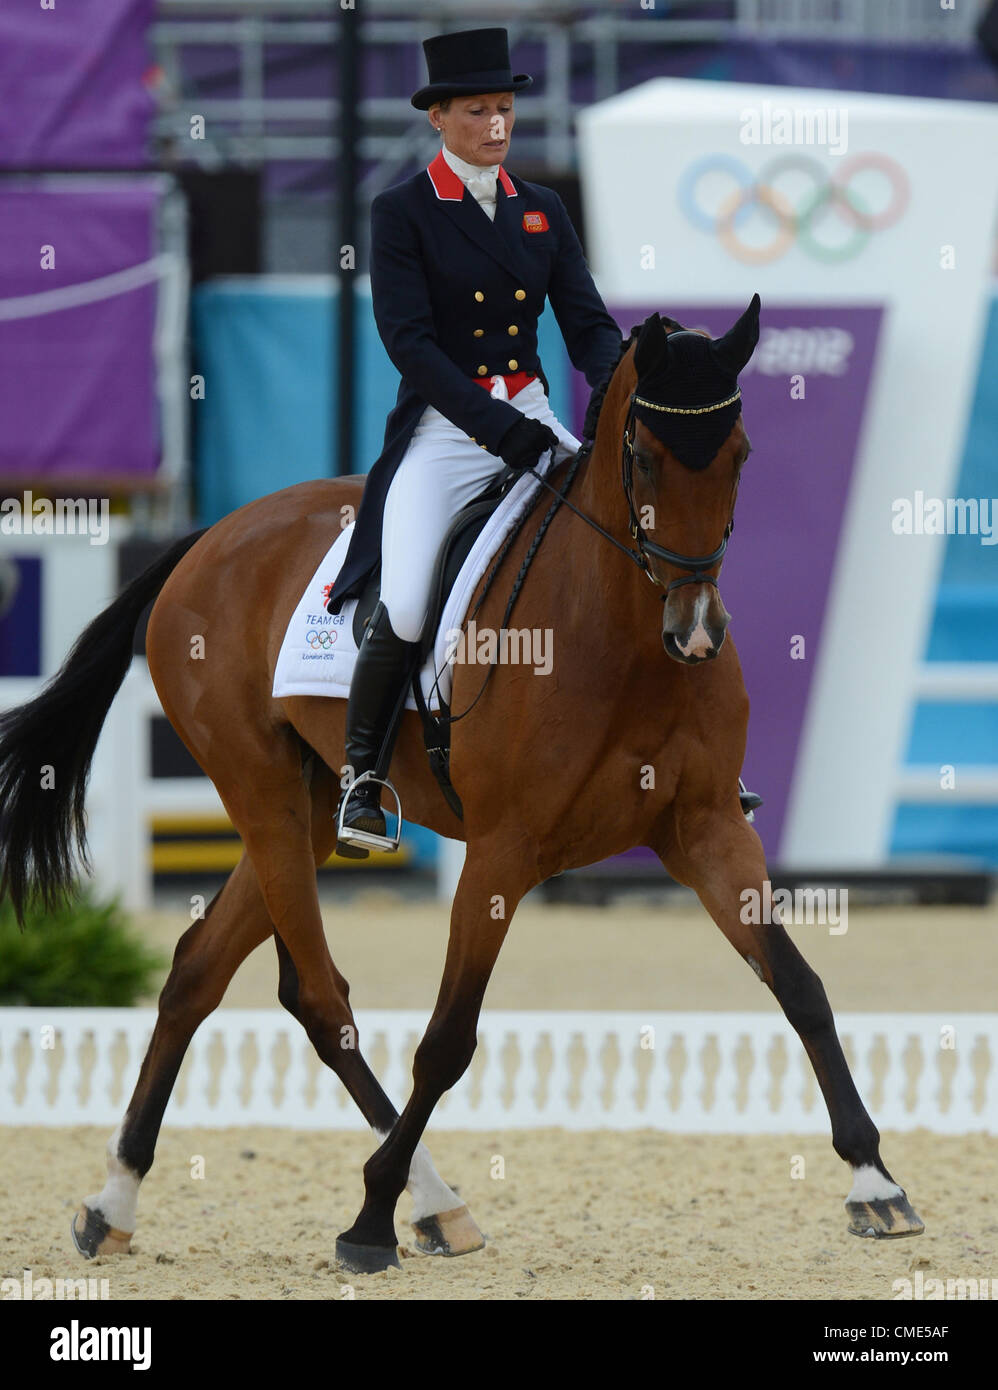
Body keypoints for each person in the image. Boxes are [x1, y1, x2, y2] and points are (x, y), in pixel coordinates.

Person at [327, 26, 761, 856]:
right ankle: (363, 778)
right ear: (440, 119)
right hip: (448, 429)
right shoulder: (403, 213)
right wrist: (499, 429)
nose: (496, 125)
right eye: (478, 111)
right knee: (412, 596)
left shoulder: (541, 209)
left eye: (506, 109)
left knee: (632, 550)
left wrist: (642, 383)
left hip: (534, 414)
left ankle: (705, 761)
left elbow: (589, 327)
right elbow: (410, 343)